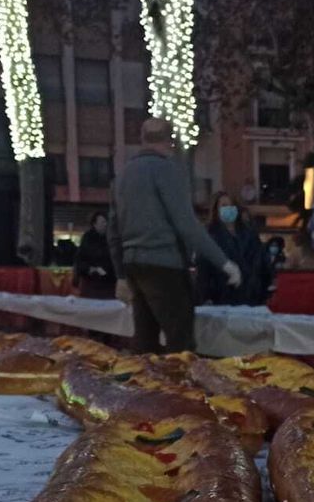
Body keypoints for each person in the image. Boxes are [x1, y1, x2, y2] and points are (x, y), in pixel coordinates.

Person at [110, 117, 240, 354]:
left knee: (145, 339)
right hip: (165, 265)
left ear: (142, 139)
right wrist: (224, 262)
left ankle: (145, 387)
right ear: (170, 141)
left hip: (133, 266)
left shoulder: (123, 175)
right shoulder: (168, 170)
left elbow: (113, 230)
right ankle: (179, 389)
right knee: (180, 342)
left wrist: (120, 273)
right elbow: (186, 224)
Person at [197, 192, 267, 305]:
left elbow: (261, 262)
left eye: (231, 205)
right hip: (221, 296)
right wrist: (205, 296)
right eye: (224, 206)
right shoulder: (210, 236)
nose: (228, 209)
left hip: (250, 297)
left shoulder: (250, 234)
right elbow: (203, 269)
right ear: (216, 210)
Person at [72, 211, 116, 299]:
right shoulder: (87, 238)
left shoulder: (112, 239)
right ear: (94, 224)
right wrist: (89, 269)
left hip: (108, 282)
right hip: (90, 281)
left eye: (106, 222)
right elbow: (80, 259)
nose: (105, 224)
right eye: (102, 222)